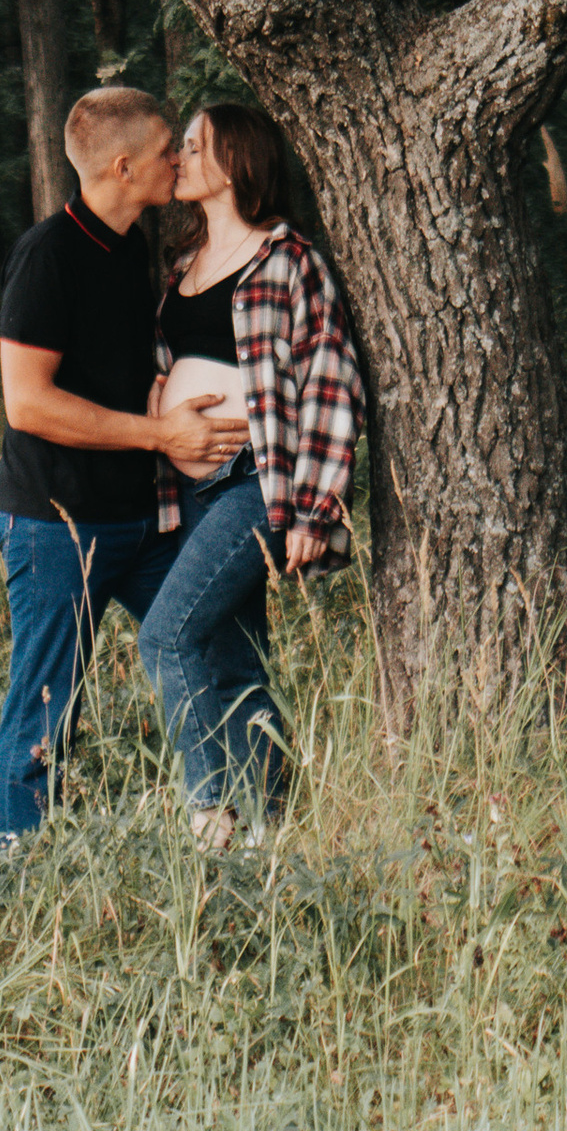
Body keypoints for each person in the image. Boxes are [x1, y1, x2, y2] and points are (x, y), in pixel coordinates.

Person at [0, 86, 243, 841]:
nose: (180, 160)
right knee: (45, 705)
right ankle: (19, 866)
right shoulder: (49, 256)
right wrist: (158, 433)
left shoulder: (132, 247)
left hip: (142, 519)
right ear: (125, 165)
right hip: (55, 525)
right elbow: (28, 404)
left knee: (208, 645)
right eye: (170, 150)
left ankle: (237, 825)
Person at [135, 101, 362, 850]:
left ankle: (212, 818)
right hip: (187, 491)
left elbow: (331, 383)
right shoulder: (180, 271)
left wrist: (315, 510)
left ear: (235, 161)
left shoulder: (288, 260)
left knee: (167, 638)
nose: (181, 158)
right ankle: (274, 829)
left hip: (252, 483)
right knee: (233, 658)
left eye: (194, 146)